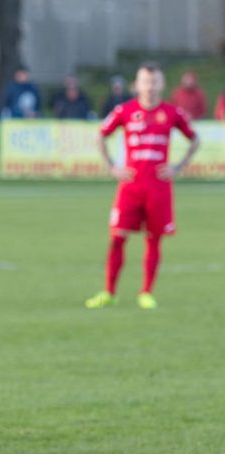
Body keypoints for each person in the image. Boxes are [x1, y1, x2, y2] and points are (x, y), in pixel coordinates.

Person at [86, 62, 199, 310]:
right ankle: (109, 292)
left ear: (162, 84)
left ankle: (146, 292)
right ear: (137, 85)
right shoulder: (124, 110)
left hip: (158, 188)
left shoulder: (172, 113)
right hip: (130, 186)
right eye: (145, 82)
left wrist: (178, 167)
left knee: (154, 240)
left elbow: (195, 139)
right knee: (117, 237)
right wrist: (112, 167)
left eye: (154, 82)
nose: (150, 87)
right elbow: (100, 135)